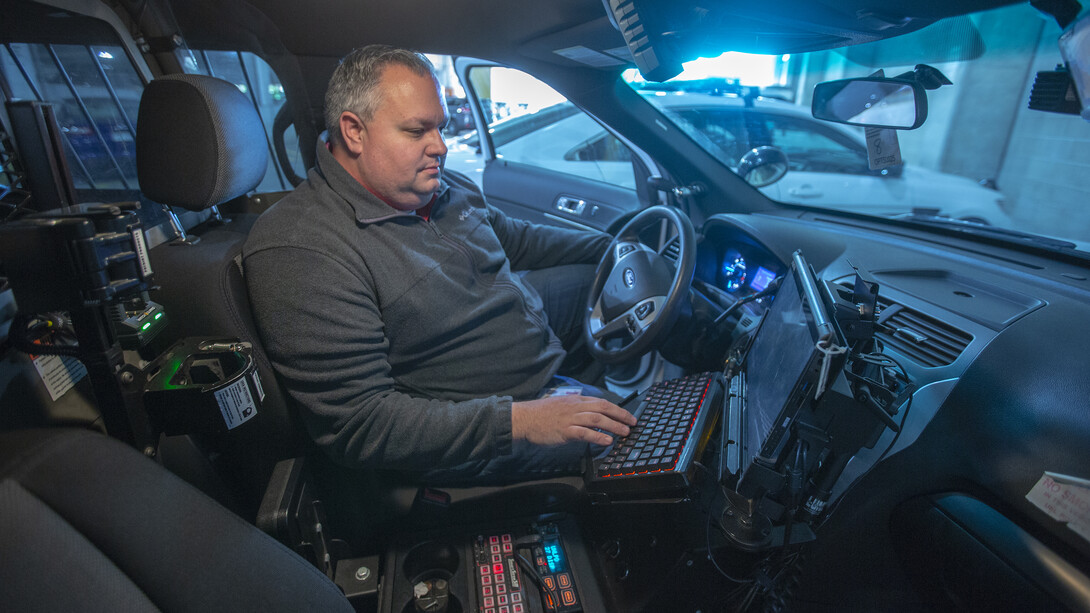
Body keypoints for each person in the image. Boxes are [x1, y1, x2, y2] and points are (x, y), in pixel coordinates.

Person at [243, 45, 636, 484]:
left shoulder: (437, 186)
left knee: (615, 279)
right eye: (417, 131)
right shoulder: (303, 250)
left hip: (527, 345)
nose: (441, 147)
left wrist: (617, 244)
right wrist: (524, 420)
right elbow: (360, 425)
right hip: (482, 431)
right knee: (638, 442)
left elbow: (517, 240)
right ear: (354, 132)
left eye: (441, 128)